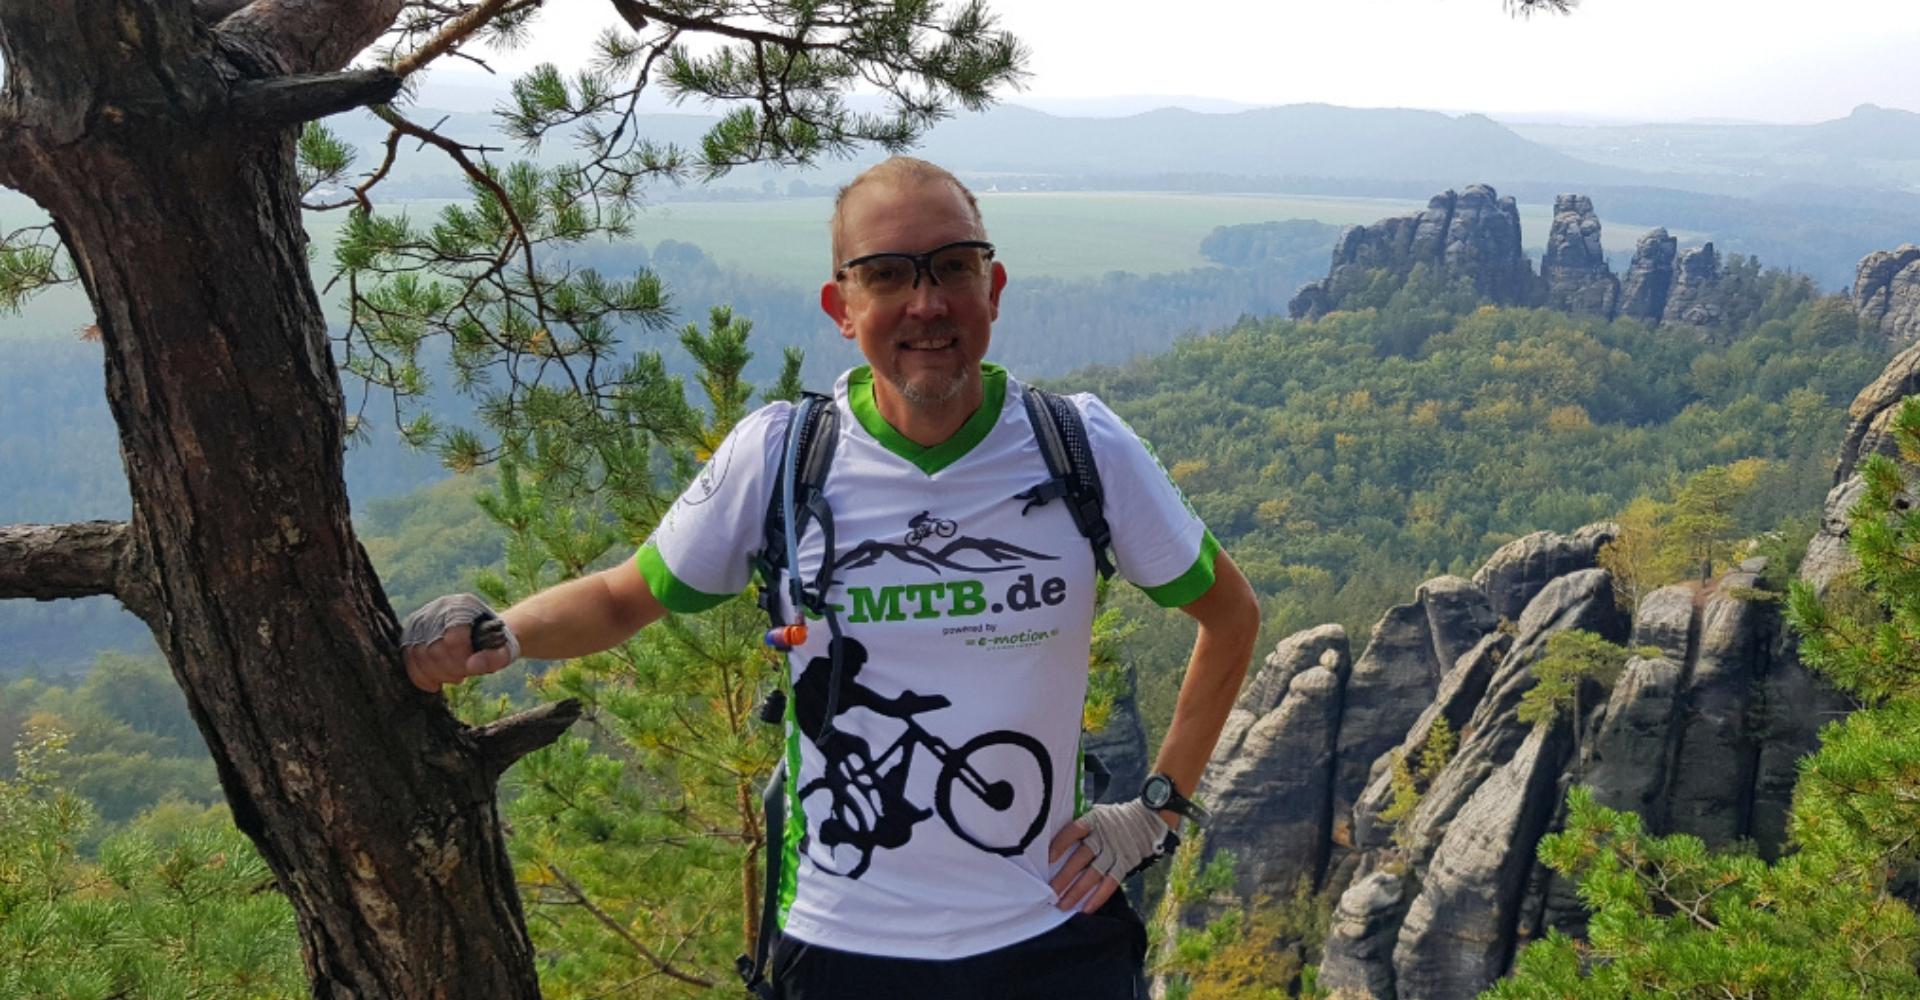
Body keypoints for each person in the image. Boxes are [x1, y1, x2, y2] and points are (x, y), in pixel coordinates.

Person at [402, 156, 1261, 999]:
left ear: (992, 287)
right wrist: (502, 633)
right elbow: (623, 597)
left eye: (952, 267)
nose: (926, 303)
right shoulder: (781, 457)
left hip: (1054, 940)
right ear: (841, 307)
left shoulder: (1081, 446)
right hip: (841, 948)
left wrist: (1156, 808)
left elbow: (1230, 617)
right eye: (886, 275)